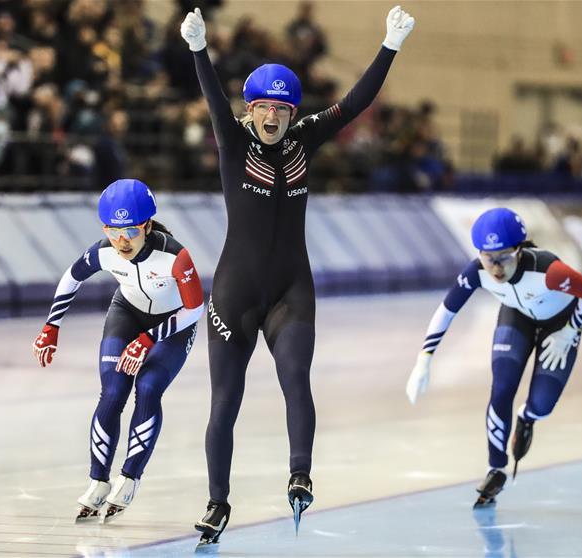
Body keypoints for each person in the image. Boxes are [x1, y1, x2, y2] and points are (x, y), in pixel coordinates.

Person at [180, 4, 414, 544]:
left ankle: (300, 472)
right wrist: (197, 49)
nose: (272, 119)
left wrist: (390, 45)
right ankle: (217, 503)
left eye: (282, 112)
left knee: (295, 380)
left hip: (291, 289)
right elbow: (214, 98)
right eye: (264, 110)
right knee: (224, 402)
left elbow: (354, 104)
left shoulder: (303, 139)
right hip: (235, 292)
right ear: (251, 110)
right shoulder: (234, 139)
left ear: (291, 115)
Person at [31, 179, 204, 523]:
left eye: (131, 232)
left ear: (147, 226)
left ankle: (129, 477)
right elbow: (71, 277)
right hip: (126, 314)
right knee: (112, 392)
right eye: (114, 231)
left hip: (172, 324)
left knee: (149, 387)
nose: (122, 241)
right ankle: (97, 481)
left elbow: (195, 308)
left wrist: (149, 339)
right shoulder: (102, 250)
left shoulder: (175, 255)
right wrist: (52, 325)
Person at [405, 208, 582, 508]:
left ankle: (528, 417)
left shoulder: (549, 271)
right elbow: (447, 311)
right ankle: (495, 468)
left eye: (504, 257)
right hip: (517, 318)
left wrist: (570, 329)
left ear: (519, 250)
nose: (495, 268)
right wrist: (424, 358)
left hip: (560, 324)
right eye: (487, 258)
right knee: (502, 387)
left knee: (542, 405)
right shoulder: (476, 271)